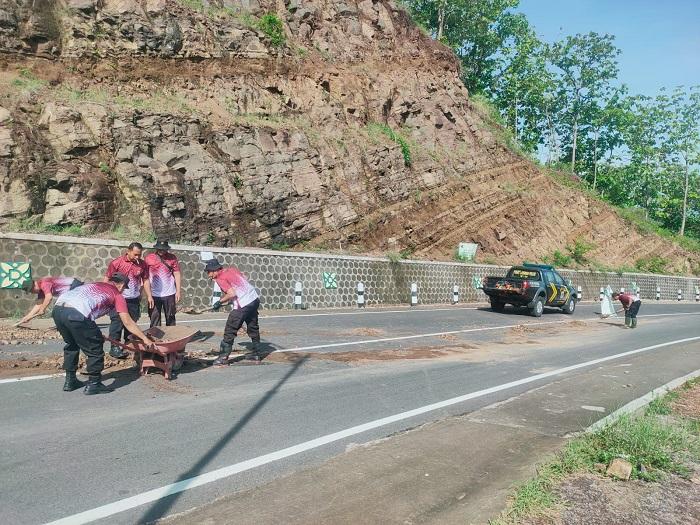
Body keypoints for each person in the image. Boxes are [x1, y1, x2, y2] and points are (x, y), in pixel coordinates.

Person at [52, 273, 154, 394]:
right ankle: (94, 384)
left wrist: (93, 332)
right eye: (124, 289)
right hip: (76, 314)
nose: (123, 291)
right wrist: (145, 339)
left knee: (72, 345)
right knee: (95, 349)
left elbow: (88, 310)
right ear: (121, 286)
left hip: (58, 310)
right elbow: (127, 322)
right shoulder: (117, 295)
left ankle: (70, 381)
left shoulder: (96, 285)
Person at [204, 259, 260, 366]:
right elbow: (245, 278)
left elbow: (232, 293)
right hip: (254, 299)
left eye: (209, 272)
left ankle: (223, 358)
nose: (209, 275)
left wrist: (219, 302)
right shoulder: (232, 270)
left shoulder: (220, 278)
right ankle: (256, 353)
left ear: (215, 270)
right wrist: (231, 300)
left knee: (230, 329)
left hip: (242, 304)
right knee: (253, 326)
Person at [104, 242, 153, 359]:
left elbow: (145, 280)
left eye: (139, 255)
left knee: (132, 322)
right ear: (128, 251)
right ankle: (115, 347)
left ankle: (128, 344)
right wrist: (106, 295)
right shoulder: (117, 263)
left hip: (133, 299)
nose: (137, 257)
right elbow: (107, 278)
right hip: (118, 298)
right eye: (135, 254)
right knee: (117, 322)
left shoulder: (142, 264)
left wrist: (149, 296)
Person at [15, 276, 83, 326]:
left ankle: (75, 324)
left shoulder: (44, 283)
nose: (32, 293)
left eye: (31, 291)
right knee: (62, 308)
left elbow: (49, 297)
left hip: (73, 286)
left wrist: (42, 309)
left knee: (62, 308)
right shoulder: (41, 291)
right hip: (68, 292)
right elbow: (39, 304)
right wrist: (28, 317)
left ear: (34, 286)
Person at [144, 239, 181, 327]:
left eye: (163, 249)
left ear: (167, 249)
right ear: (156, 248)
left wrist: (178, 291)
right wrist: (148, 295)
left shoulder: (172, 258)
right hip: (154, 294)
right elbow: (145, 277)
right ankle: (155, 334)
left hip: (169, 293)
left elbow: (177, 273)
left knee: (170, 317)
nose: (161, 251)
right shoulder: (149, 258)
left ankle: (171, 334)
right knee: (154, 318)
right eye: (160, 249)